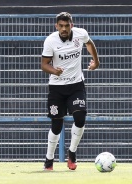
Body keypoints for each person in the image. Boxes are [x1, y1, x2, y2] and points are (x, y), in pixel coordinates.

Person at [41, 12, 100, 171]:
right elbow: (44, 64)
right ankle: (49, 158)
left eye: (67, 26)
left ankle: (72, 153)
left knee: (80, 118)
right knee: (56, 125)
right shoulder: (50, 41)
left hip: (76, 85)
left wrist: (96, 61)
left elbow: (89, 44)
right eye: (61, 26)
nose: (64, 29)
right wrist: (54, 71)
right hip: (57, 88)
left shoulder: (81, 34)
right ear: (56, 26)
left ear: (71, 25)